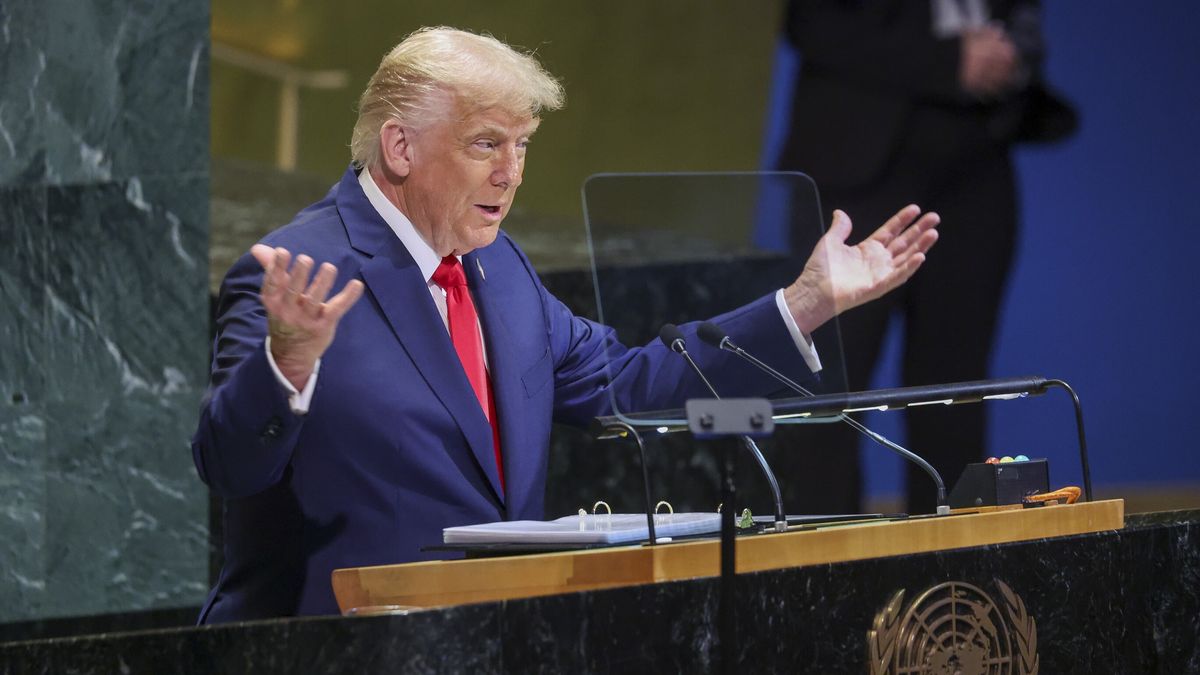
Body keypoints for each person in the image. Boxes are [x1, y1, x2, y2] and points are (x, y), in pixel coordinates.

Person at [192, 27, 939, 623]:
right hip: (333, 645)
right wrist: (286, 365)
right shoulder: (297, 272)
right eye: (487, 143)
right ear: (401, 146)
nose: (511, 172)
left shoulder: (501, 269)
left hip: (497, 638)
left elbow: (632, 384)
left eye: (522, 146)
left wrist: (806, 303)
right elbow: (228, 466)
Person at [774, 0, 1075, 515]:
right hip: (859, 158)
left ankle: (951, 564)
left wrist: (1013, 55)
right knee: (828, 392)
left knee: (957, 391)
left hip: (977, 157)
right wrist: (948, 60)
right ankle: (824, 558)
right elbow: (812, 21)